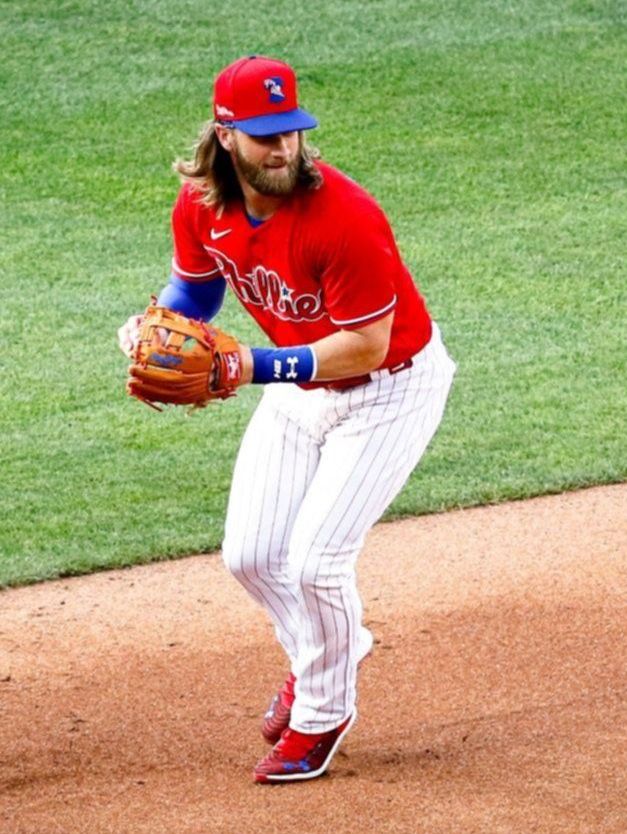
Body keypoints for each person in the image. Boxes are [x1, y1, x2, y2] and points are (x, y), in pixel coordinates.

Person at [118, 54, 456, 784]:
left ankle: (321, 713)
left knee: (315, 563)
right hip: (301, 385)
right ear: (226, 135)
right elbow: (196, 294)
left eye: (292, 133)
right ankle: (328, 650)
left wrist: (252, 367)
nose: (282, 149)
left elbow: (363, 345)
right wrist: (152, 325)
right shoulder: (202, 204)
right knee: (249, 557)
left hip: (388, 389)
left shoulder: (347, 217)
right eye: (265, 136)